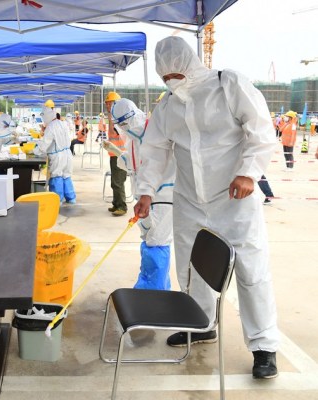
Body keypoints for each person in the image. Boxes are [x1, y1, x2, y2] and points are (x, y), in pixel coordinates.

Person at [134, 36, 279, 379]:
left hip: (235, 198)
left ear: (190, 64)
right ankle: (201, 324)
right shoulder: (167, 107)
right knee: (191, 267)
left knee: (250, 270)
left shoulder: (227, 85)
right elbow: (155, 151)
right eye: (165, 76)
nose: (171, 81)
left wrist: (248, 173)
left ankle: (263, 346)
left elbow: (260, 129)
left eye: (176, 74)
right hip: (189, 200)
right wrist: (145, 193)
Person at [106, 98, 175, 290]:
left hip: (162, 196)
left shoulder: (156, 132)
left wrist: (147, 193)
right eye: (120, 125)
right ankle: (152, 286)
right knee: (148, 239)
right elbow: (135, 164)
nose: (123, 128)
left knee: (157, 241)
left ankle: (154, 292)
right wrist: (118, 153)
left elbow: (156, 164)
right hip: (143, 197)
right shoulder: (134, 138)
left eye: (125, 123)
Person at [34, 105, 76, 203]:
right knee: (66, 175)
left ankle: (56, 200)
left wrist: (35, 150)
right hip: (67, 153)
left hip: (58, 156)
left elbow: (44, 144)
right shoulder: (62, 123)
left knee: (57, 176)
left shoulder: (51, 127)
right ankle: (71, 198)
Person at [104, 91, 127, 216]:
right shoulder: (114, 117)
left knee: (118, 181)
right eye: (107, 103)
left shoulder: (119, 119)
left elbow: (114, 132)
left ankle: (122, 207)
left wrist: (110, 115)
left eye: (110, 103)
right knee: (114, 182)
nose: (108, 106)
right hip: (114, 154)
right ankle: (116, 204)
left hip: (120, 155)